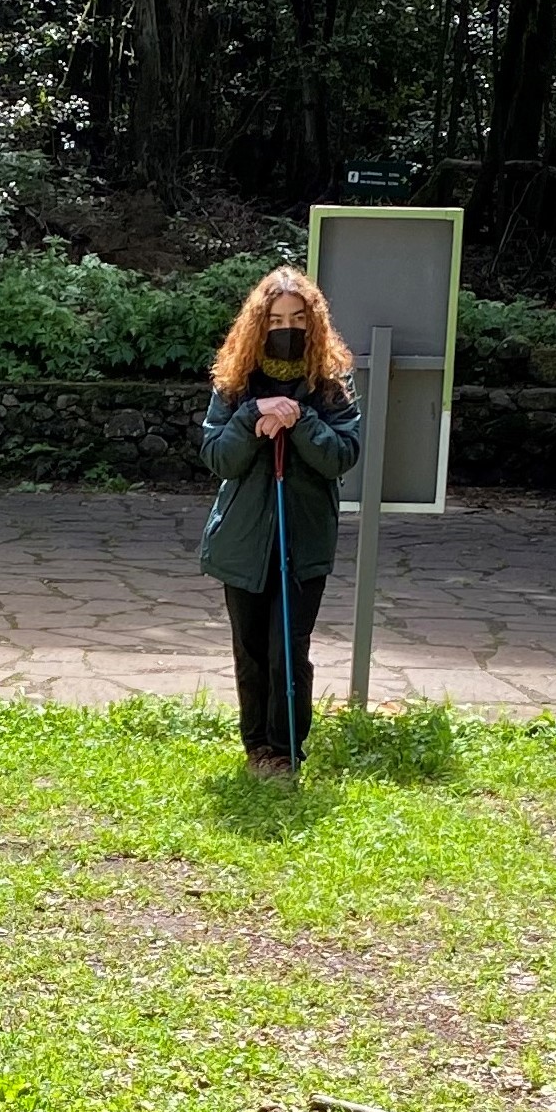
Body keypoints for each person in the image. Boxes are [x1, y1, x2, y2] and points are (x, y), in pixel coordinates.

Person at [200, 268, 363, 776]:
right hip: (242, 543)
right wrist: (253, 415)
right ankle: (256, 751)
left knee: (287, 650)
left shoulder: (332, 385)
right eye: (275, 318)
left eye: (296, 317)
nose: (285, 327)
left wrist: (300, 418)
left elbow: (342, 456)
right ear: (258, 322)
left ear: (313, 322)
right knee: (250, 651)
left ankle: (286, 751)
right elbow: (218, 458)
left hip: (304, 541)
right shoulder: (235, 383)